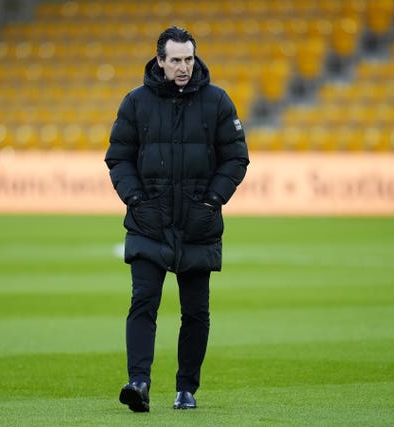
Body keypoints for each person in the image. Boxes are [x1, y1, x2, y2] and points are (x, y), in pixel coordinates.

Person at [104, 25, 249, 412]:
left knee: (196, 312)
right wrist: (136, 200)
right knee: (143, 302)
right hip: (149, 222)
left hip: (197, 224)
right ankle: (139, 382)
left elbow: (237, 157)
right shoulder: (135, 103)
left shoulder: (218, 102)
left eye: (188, 59)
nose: (183, 67)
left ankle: (186, 389)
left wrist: (212, 202)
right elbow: (118, 157)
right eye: (176, 60)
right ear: (160, 61)